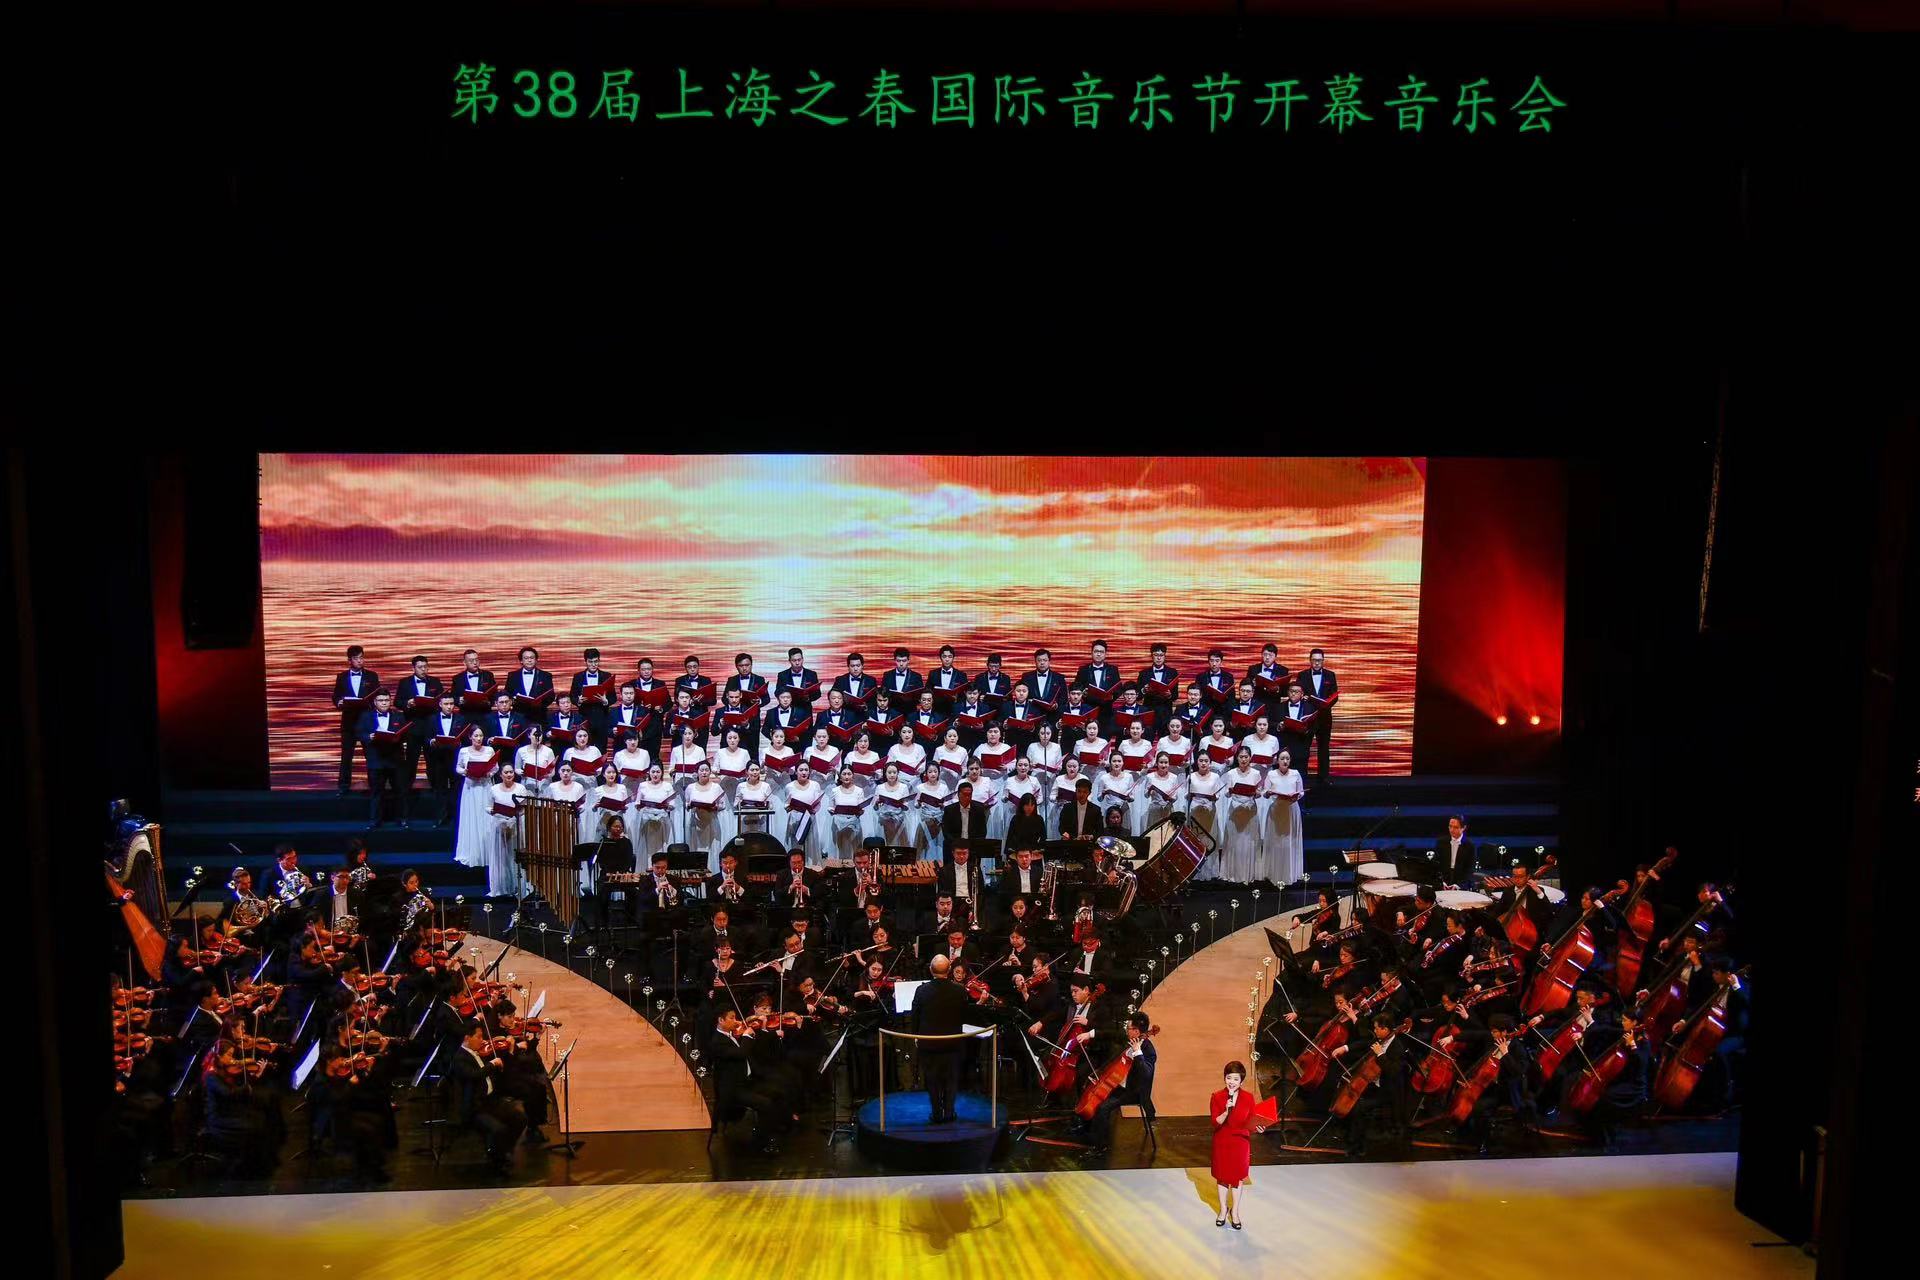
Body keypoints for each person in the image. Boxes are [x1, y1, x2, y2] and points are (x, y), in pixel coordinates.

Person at [1077, 1012, 1157, 1150]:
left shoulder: (1148, 1050)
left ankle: (1101, 1146)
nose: (1126, 1030)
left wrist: (1138, 1053)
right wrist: (1089, 1034)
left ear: (1136, 1031)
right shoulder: (1129, 1039)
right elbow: (1111, 1034)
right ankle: (1090, 1132)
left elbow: (1146, 1074)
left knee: (1103, 1107)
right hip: (1117, 1085)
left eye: (1128, 1028)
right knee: (1091, 1094)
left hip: (1133, 1091)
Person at [911, 955, 974, 1123]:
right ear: (949, 970)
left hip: (929, 1043)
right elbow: (965, 1015)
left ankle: (937, 1113)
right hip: (953, 1042)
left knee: (932, 1079)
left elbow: (915, 1016)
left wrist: (915, 1035)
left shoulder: (921, 990)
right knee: (951, 1079)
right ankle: (949, 1112)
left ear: (930, 970)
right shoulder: (960, 990)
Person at [1210, 1061, 1258, 1229]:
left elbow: (1252, 1121)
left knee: (1238, 1178)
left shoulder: (1248, 1098)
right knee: (1222, 1177)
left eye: (1235, 1079)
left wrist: (1258, 1127)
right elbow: (1215, 1122)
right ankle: (1223, 1210)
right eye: (1229, 1078)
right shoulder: (1217, 1096)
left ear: (1241, 1081)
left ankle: (1235, 1212)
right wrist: (1226, 1111)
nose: (1231, 1082)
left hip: (1240, 1143)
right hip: (1222, 1141)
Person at [332, 645, 381, 797]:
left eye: (361, 658)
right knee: (346, 756)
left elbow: (378, 695)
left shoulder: (372, 676)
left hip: (367, 722)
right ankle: (343, 786)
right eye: (356, 658)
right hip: (349, 722)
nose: (360, 661)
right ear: (349, 660)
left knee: (371, 755)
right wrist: (339, 702)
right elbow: (336, 696)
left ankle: (374, 786)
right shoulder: (342, 677)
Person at [1217, 747, 1266, 882]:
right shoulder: (1231, 773)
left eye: (1246, 757)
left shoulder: (1256, 773)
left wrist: (1256, 793)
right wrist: (1230, 791)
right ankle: (1233, 873)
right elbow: (1226, 794)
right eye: (1241, 757)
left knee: (1249, 841)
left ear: (1250, 758)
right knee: (1235, 841)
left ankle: (1248, 873)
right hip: (1235, 810)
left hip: (1250, 810)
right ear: (1237, 758)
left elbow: (1259, 792)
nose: (1243, 759)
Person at [420, 693, 466, 827]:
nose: (449, 707)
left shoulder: (461, 719)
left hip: (455, 759)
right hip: (438, 759)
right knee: (440, 789)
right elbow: (425, 738)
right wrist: (431, 741)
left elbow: (465, 739)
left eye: (451, 704)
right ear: (440, 704)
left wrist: (460, 743)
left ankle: (456, 817)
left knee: (456, 789)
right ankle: (441, 817)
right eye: (446, 704)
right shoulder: (431, 719)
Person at [1263, 749, 1306, 884]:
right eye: (1282, 758)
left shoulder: (1295, 773)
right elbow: (1265, 792)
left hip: (1291, 810)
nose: (1285, 761)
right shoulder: (1271, 774)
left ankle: (1290, 873)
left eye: (1287, 758)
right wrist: (1268, 793)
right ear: (1277, 760)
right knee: (1276, 840)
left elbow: (1301, 791)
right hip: (1276, 810)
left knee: (1289, 841)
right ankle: (1274, 873)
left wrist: (1297, 796)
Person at [1301, 648, 1338, 781]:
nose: (1317, 663)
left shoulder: (1330, 675)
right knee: (1304, 747)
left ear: (1323, 661)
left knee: (1323, 748)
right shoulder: (1302, 675)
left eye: (1319, 660)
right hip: (1308, 717)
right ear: (1310, 660)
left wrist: (1326, 703)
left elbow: (1335, 696)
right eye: (1314, 660)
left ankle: (1323, 778)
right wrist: (1303, 698)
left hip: (1324, 717)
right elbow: (1299, 693)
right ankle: (1302, 777)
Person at [942, 781, 991, 850]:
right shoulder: (949, 810)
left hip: (973, 846)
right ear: (958, 794)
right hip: (955, 846)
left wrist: (975, 845)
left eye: (969, 794)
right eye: (965, 794)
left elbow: (982, 832)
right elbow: (946, 831)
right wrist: (956, 845)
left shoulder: (979, 809)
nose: (967, 797)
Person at [1443, 815, 1477, 887]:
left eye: (1455, 827)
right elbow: (1438, 865)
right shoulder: (1441, 842)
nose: (1451, 830)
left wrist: (1459, 885)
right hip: (1444, 880)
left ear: (1463, 828)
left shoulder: (1470, 846)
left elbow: (1469, 870)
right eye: (1450, 826)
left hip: (1461, 881)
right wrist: (1441, 882)